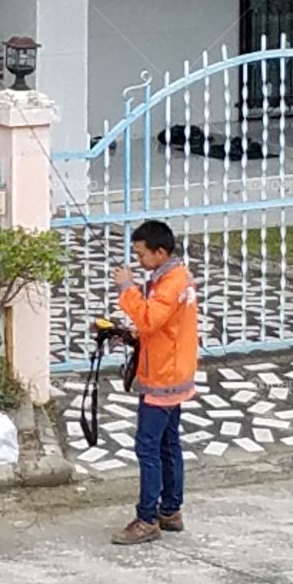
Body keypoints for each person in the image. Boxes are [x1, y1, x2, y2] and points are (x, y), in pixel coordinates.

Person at [110, 219, 199, 546]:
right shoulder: (178, 278)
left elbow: (148, 317)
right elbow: (161, 324)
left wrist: (127, 288)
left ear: (160, 252)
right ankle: (171, 510)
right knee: (168, 443)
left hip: (163, 377)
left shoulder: (170, 284)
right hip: (175, 372)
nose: (139, 261)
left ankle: (147, 518)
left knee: (148, 447)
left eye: (142, 255)